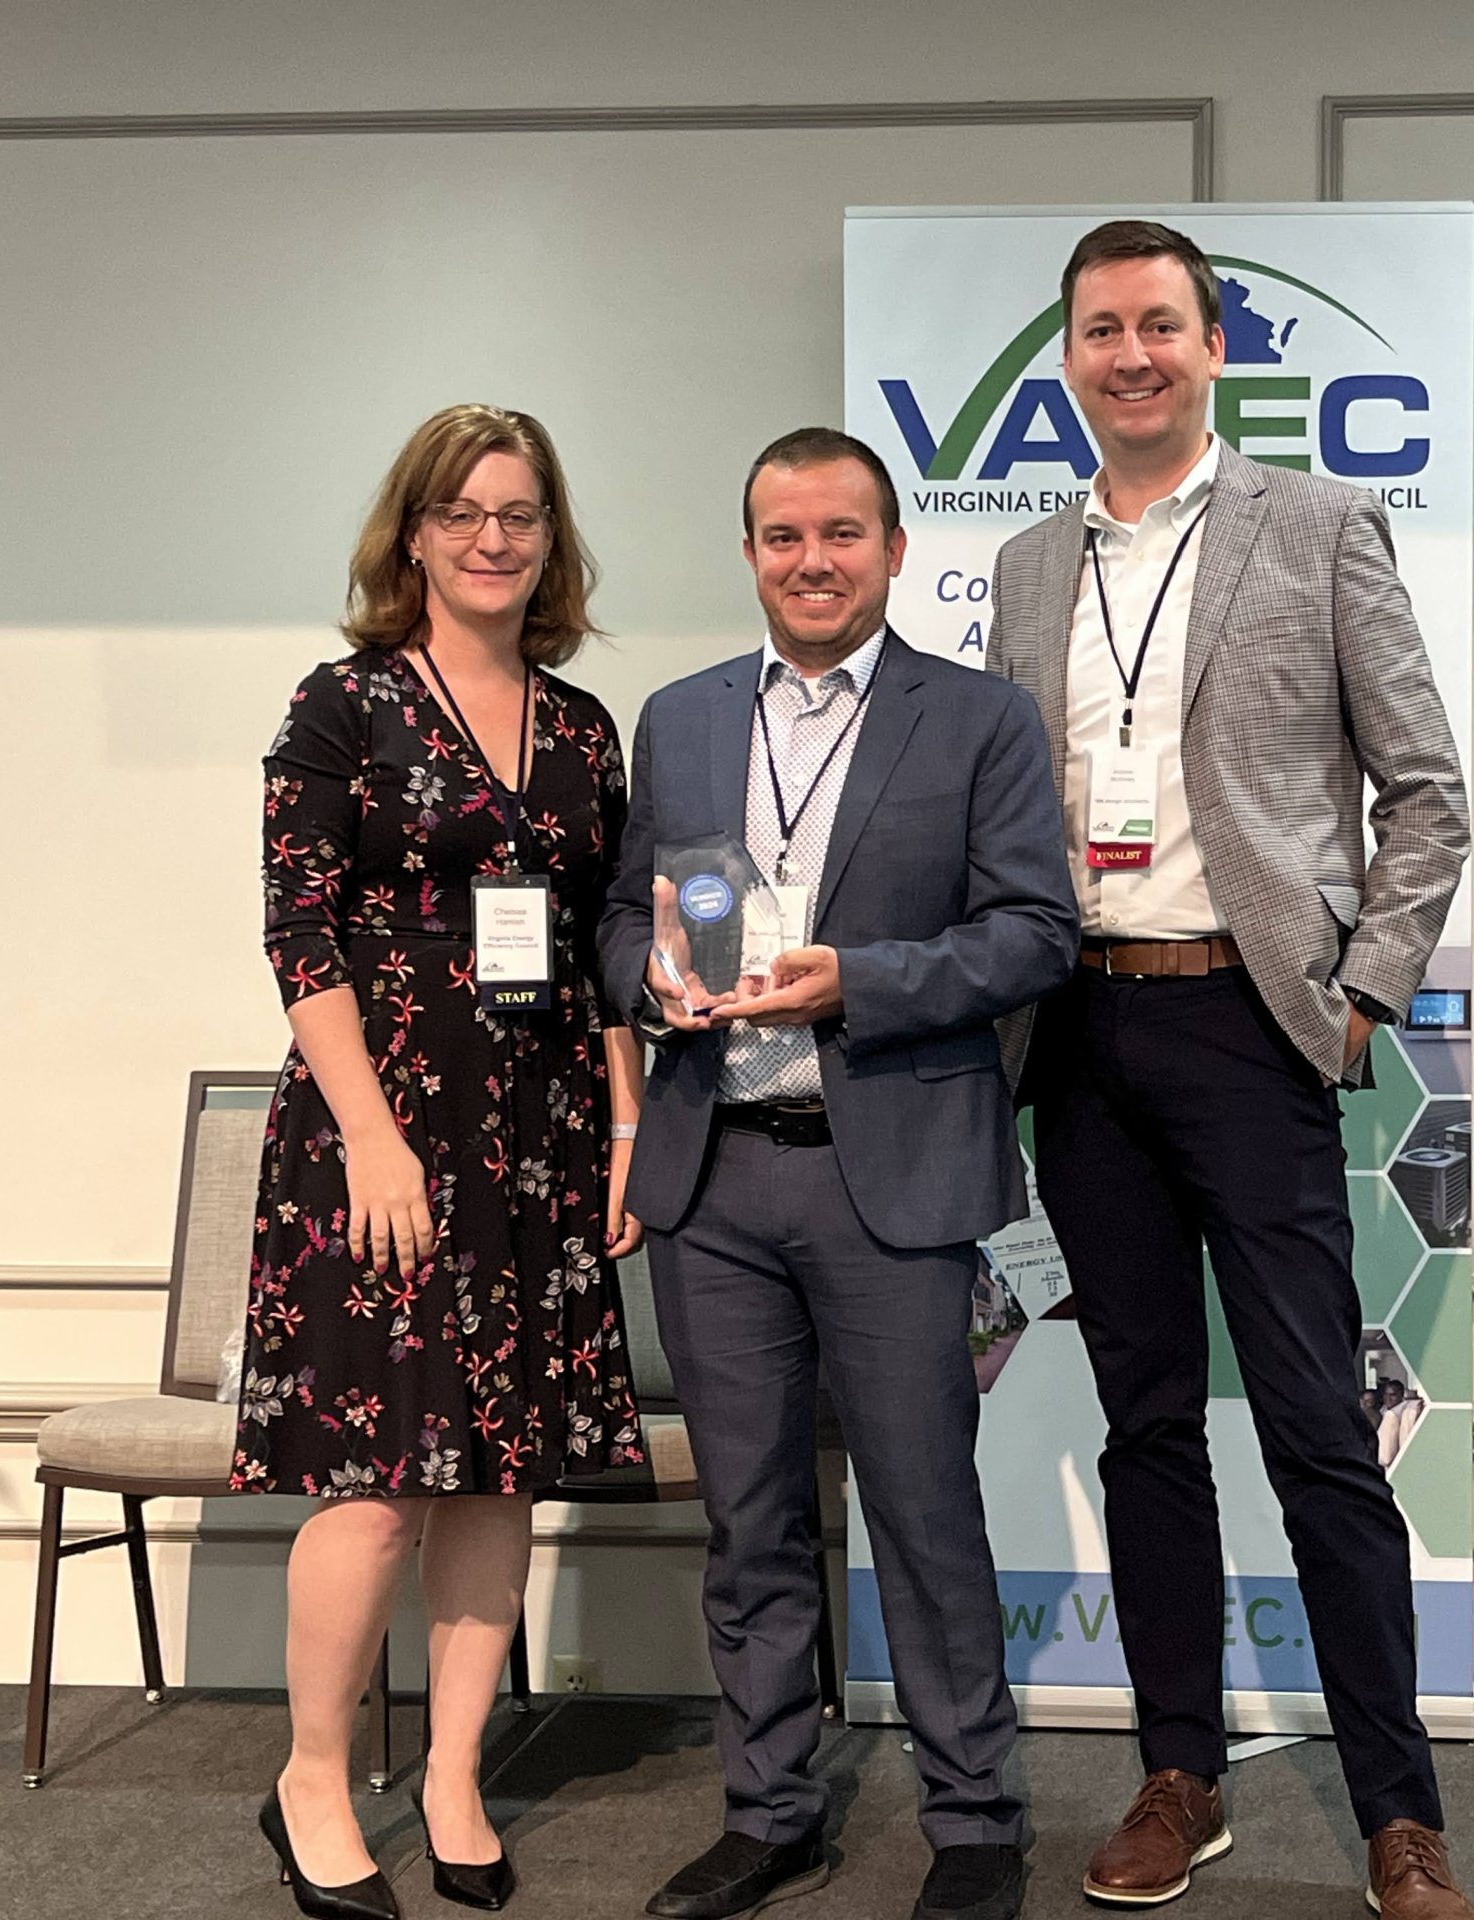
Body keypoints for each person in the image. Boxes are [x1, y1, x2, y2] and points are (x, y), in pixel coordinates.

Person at [988, 221, 1474, 1920]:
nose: (1129, 355)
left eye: (1159, 326)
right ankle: (1177, 1775)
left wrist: (1362, 997)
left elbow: (1428, 795)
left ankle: (1399, 1816)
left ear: (1212, 348)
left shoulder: (1319, 526)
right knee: (1144, 1427)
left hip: (1252, 1023)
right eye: (1100, 330)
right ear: (1069, 358)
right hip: (1080, 1033)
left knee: (1319, 1430)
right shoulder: (1029, 568)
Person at [599, 428, 1078, 1920]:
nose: (813, 562)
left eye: (843, 535)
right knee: (748, 1521)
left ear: (895, 550)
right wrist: (650, 979)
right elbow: (617, 917)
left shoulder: (979, 720)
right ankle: (770, 1813)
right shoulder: (680, 718)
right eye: (784, 536)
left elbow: (1033, 934)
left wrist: (855, 981)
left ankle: (976, 1821)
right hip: (715, 1179)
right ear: (749, 553)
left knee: (924, 1513)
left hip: (893, 1182)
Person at [234, 403, 648, 1919]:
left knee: (499, 1476)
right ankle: (313, 1779)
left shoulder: (584, 728)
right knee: (375, 1485)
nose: (492, 538)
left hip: (540, 1135)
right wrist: (373, 1139)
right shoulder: (342, 704)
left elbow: (607, 945)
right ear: (412, 533)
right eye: (463, 512)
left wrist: (626, 1128)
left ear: (550, 538)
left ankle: (456, 1773)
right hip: (380, 1136)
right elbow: (299, 931)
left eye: (519, 514)